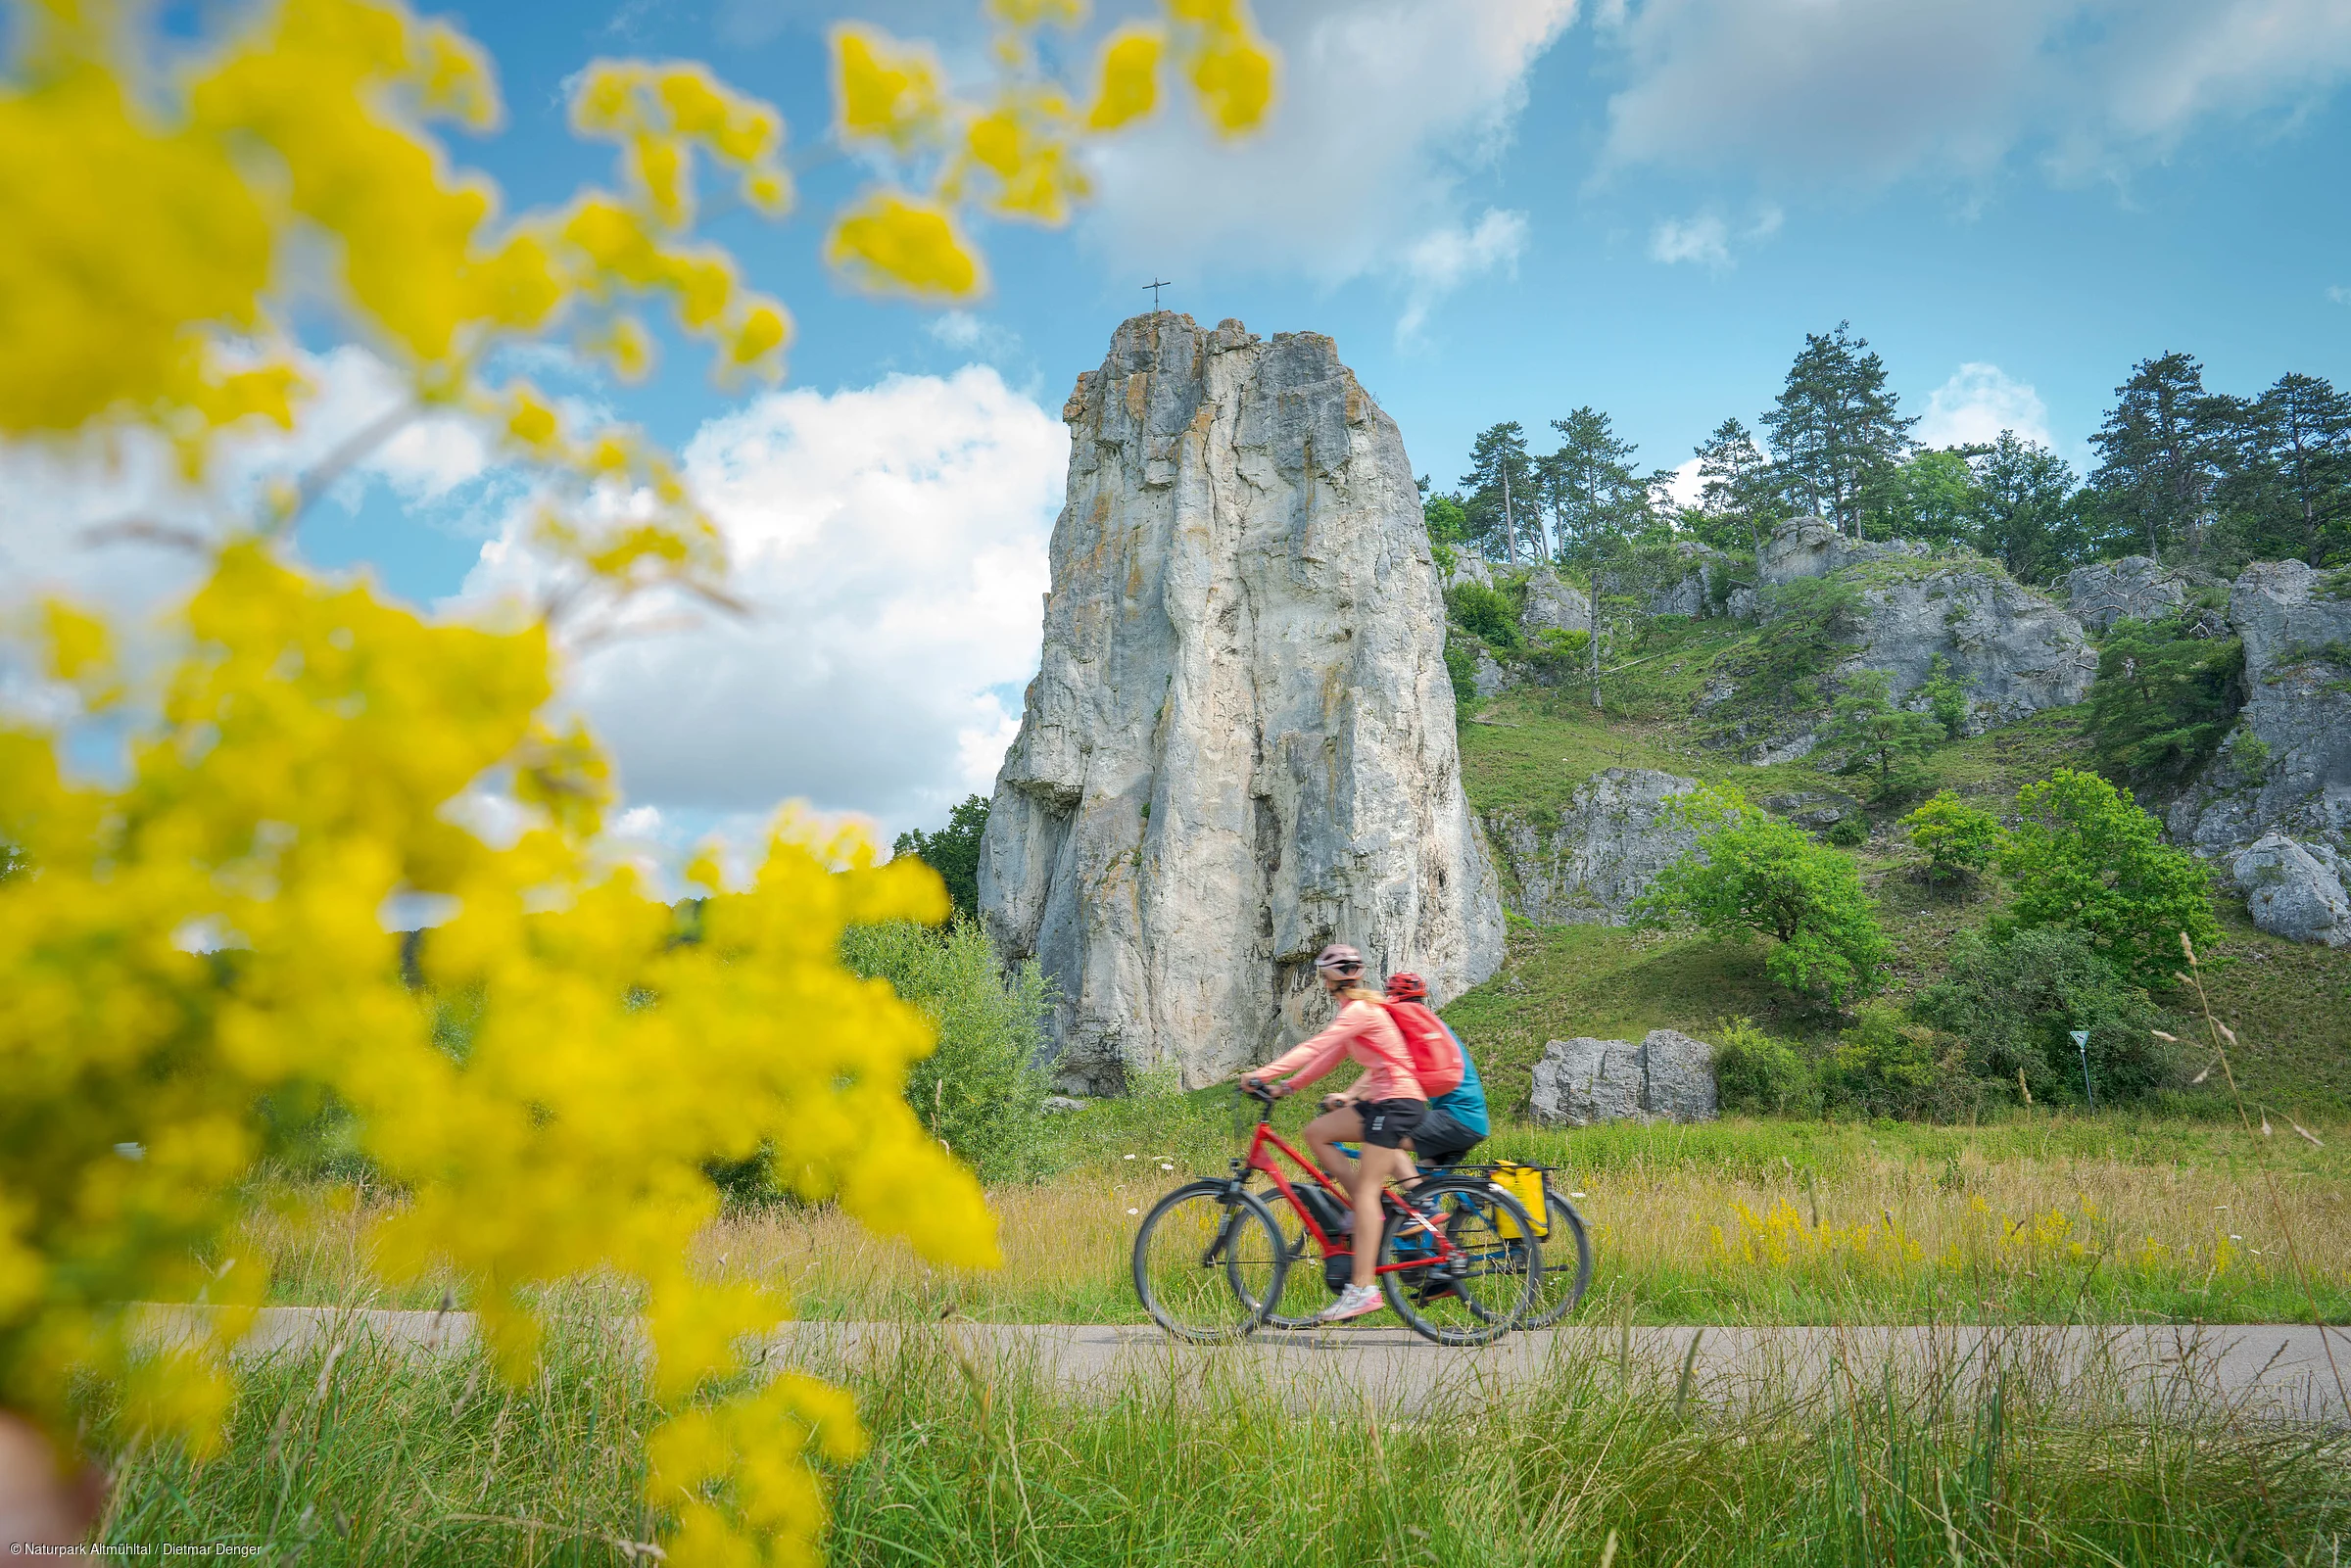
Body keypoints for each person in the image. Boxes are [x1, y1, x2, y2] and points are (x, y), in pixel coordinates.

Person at [1241, 942, 1425, 1324]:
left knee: (1370, 1192)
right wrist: (1288, 1087)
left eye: (1323, 976)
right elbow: (1329, 1057)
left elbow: (1316, 1046)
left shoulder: (1359, 1011)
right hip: (1387, 1102)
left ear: (1328, 979)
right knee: (1317, 1132)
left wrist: (1265, 1073)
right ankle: (1361, 1204)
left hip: (1395, 1102)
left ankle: (1363, 1290)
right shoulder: (1356, 1011)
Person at [1383, 972, 1489, 1169]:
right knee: (1424, 1178)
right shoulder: (1431, 1027)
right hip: (1470, 1119)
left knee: (1383, 1137)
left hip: (1456, 1118)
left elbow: (1392, 1073)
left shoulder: (1417, 1031)